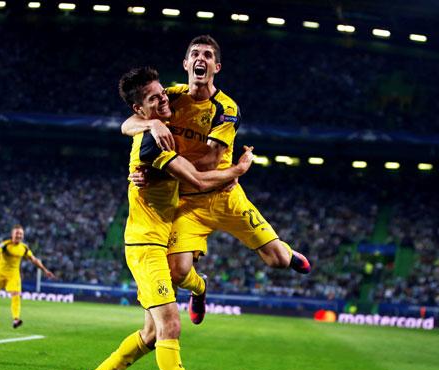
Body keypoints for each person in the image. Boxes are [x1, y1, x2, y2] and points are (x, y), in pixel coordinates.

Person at [76, 67, 255, 370]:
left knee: (150, 334)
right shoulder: (153, 142)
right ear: (141, 109)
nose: (164, 100)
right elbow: (201, 179)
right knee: (170, 324)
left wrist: (148, 123)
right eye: (154, 99)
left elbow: (127, 123)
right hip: (145, 245)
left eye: (162, 93)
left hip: (164, 236)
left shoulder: (159, 126)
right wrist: (238, 169)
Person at [122, 35, 311, 325]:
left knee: (277, 261)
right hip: (187, 203)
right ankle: (200, 288)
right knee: (178, 272)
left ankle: (286, 251)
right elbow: (127, 123)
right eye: (195, 53)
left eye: (208, 55)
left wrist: (163, 168)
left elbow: (210, 160)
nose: (201, 58)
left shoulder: (226, 108)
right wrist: (153, 122)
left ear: (216, 67)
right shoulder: (169, 96)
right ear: (186, 64)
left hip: (224, 194)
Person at [0, 224, 56, 328]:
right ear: (12, 234)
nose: (19, 235)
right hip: (0, 274)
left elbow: (34, 259)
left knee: (16, 294)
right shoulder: (5, 244)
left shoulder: (24, 248)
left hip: (14, 275)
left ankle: (16, 319)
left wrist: (45, 270)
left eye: (21, 234)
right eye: (17, 233)